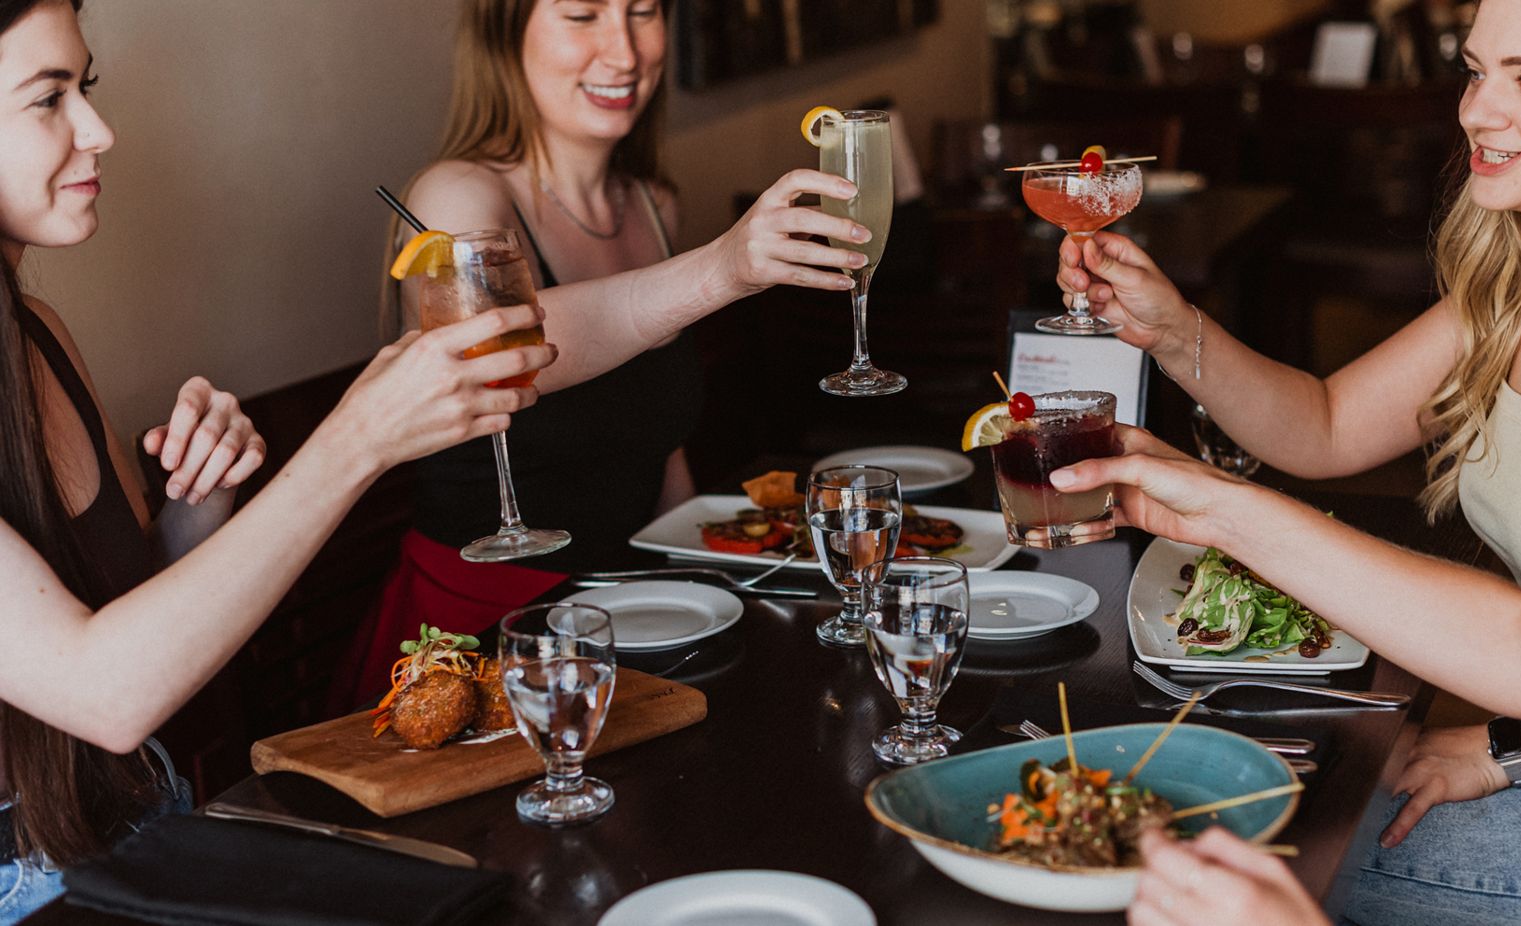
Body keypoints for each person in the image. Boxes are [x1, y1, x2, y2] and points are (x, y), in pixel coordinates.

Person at [0, 1, 554, 920]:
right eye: (48, 98)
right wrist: (356, 440)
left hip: (143, 828)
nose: (100, 129)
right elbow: (103, 693)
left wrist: (198, 510)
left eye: (84, 87)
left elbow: (132, 624)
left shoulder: (38, 336)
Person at [1060, 0, 1521, 896]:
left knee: (1264, 853)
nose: (1474, 110)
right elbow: (1327, 425)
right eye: (1473, 69)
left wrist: (1519, 750)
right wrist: (1172, 332)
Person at [337, 0, 873, 706]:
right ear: (505, 33)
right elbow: (510, 346)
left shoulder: (652, 203)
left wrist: (716, 577)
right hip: (469, 644)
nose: (623, 52)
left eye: (643, 11)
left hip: (631, 623)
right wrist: (723, 269)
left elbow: (657, 444)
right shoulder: (457, 196)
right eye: (583, 13)